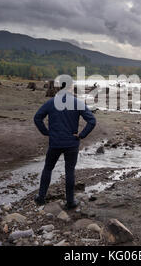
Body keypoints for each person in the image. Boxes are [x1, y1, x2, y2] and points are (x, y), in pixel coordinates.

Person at [33, 80, 96, 209]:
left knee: (48, 168)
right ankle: (70, 202)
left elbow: (37, 118)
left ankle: (41, 198)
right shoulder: (77, 103)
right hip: (71, 143)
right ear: (70, 89)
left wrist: (46, 132)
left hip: (55, 142)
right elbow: (92, 120)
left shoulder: (51, 102)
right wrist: (81, 135)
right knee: (69, 171)